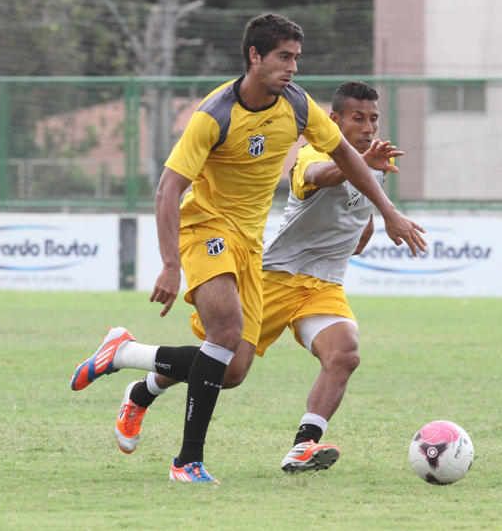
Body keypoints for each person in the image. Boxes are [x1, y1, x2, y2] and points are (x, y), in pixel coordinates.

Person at [70, 14, 426, 483]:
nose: (292, 67)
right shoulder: (214, 114)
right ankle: (187, 462)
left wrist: (388, 211)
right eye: (283, 57)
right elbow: (168, 188)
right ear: (255, 56)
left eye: (296, 58)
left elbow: (344, 155)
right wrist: (171, 264)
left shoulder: (297, 104)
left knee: (232, 370)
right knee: (223, 333)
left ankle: (125, 355)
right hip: (205, 226)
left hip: (250, 246)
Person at [108, 81, 399, 475]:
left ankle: (304, 445)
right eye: (358, 118)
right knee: (227, 370)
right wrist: (362, 164)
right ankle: (142, 388)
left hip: (324, 284)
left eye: (374, 119)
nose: (368, 127)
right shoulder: (312, 153)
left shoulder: (373, 166)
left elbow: (360, 219)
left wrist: (366, 226)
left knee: (345, 354)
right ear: (334, 119)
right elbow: (324, 175)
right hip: (276, 276)